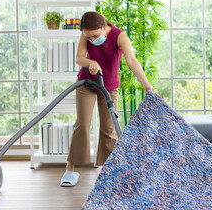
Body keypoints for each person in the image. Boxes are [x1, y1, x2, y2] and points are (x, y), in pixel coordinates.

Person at [60, 11, 155, 187]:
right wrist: (90, 63)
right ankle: (70, 169)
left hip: (109, 87)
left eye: (95, 35)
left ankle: (110, 171)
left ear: (104, 27)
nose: (92, 39)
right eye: (89, 37)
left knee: (109, 129)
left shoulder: (120, 36)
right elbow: (79, 58)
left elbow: (132, 60)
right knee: (83, 124)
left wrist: (146, 84)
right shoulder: (86, 34)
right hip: (86, 84)